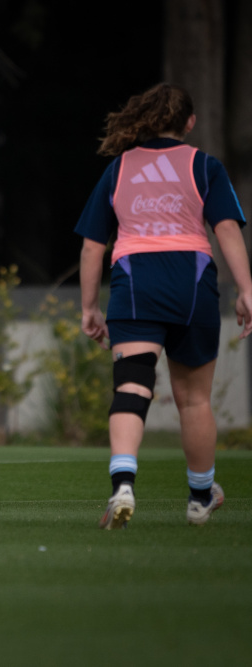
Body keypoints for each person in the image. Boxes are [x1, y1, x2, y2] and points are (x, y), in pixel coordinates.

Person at [75, 83, 251, 528]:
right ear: (189, 123)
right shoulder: (204, 165)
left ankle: (123, 487)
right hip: (192, 281)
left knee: (132, 388)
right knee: (193, 401)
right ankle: (198, 498)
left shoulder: (119, 169)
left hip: (136, 282)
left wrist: (89, 307)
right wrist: (248, 289)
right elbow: (227, 230)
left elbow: (94, 246)